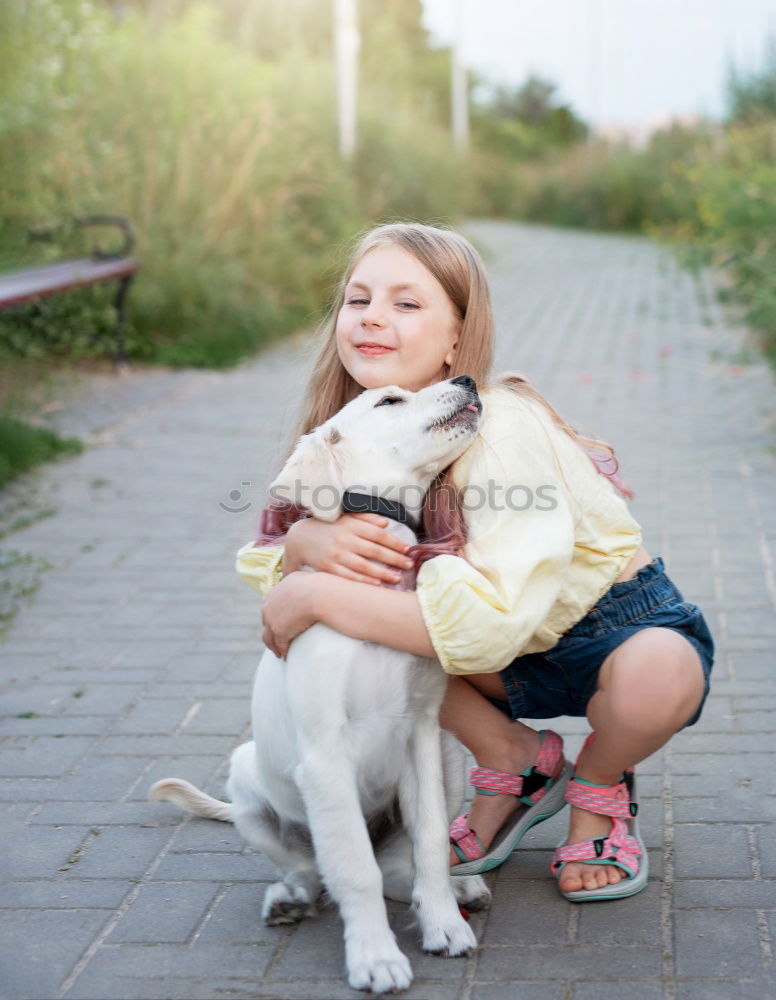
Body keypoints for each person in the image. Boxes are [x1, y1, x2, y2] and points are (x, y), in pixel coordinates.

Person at [236, 222, 714, 902]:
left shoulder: (500, 429)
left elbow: (485, 629)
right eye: (358, 299)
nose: (374, 316)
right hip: (495, 651)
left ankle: (599, 786)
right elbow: (264, 548)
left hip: (607, 630)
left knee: (659, 673)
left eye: (407, 304)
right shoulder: (357, 432)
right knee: (354, 617)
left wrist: (311, 595)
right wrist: (306, 546)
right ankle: (514, 761)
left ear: (456, 337)